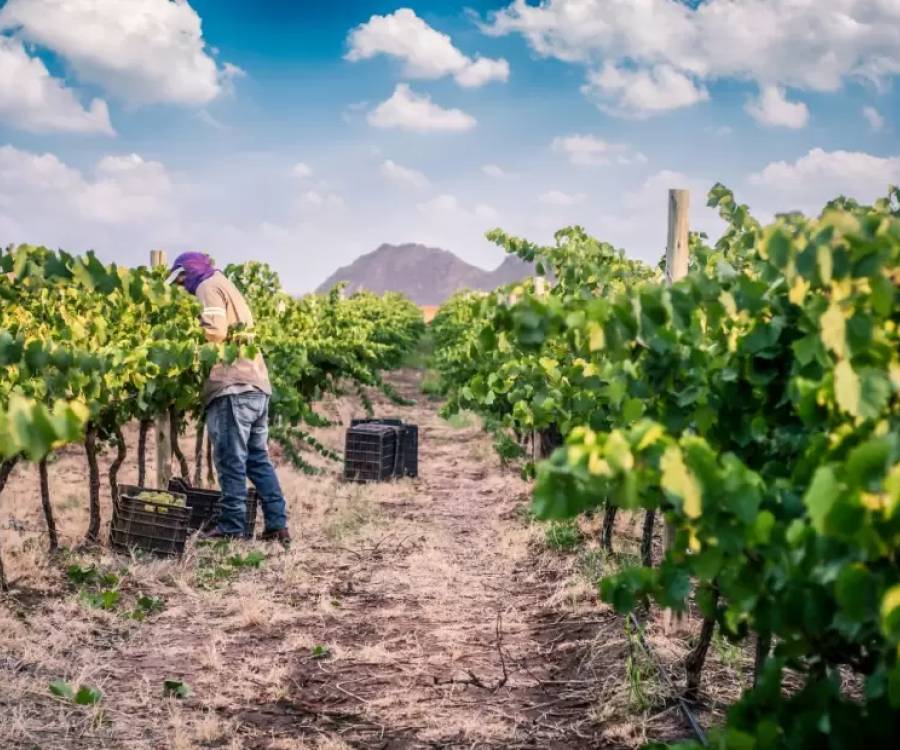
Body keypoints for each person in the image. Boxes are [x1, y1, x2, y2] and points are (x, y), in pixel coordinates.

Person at [167, 251, 291, 544]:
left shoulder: (207, 286)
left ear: (190, 271)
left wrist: (185, 346)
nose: (183, 286)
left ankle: (232, 526)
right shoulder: (227, 285)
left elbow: (215, 332)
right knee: (257, 459)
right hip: (257, 384)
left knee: (230, 460)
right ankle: (277, 524)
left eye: (182, 278)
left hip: (232, 385)